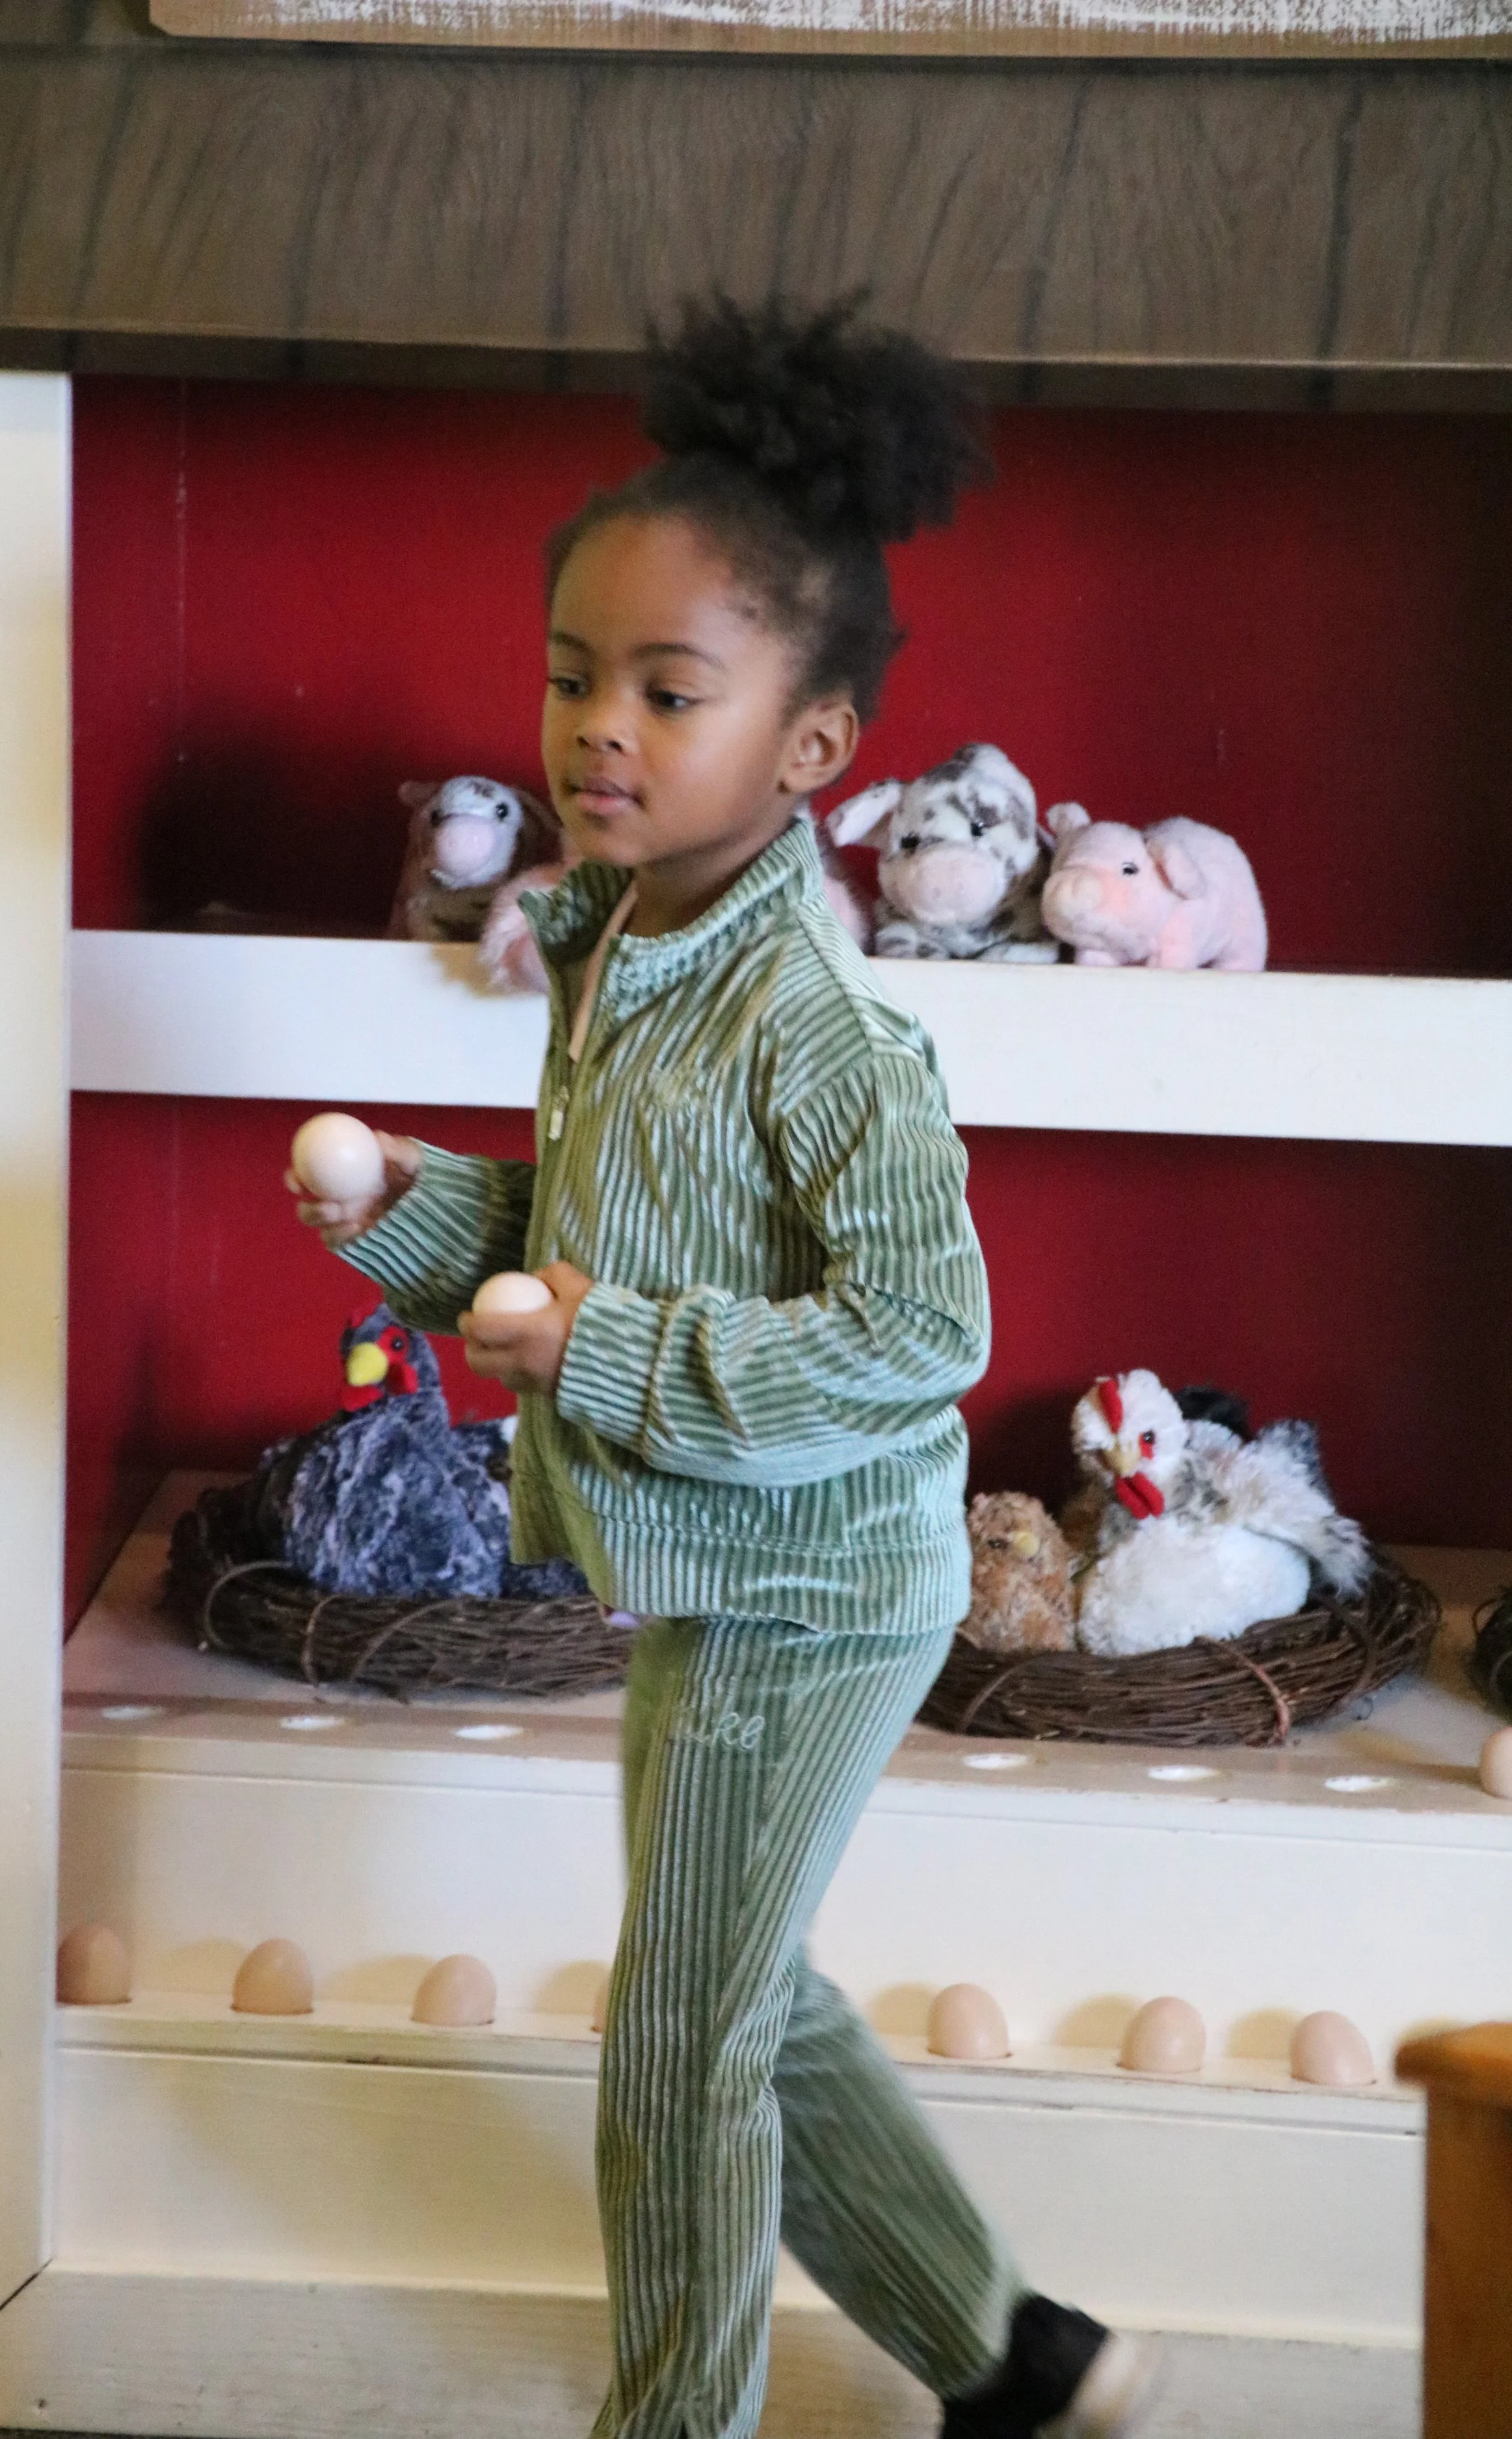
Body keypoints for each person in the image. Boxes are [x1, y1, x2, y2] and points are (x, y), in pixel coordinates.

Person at [290, 298, 1158, 2439]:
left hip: (819, 1582)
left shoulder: (817, 1026)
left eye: (668, 691)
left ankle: (675, 2418)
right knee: (737, 1985)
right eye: (570, 674)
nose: (598, 729)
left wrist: (608, 1341)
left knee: (679, 2031)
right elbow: (570, 1246)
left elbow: (920, 1332)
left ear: (811, 747)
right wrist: (402, 1208)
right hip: (710, 1560)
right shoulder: (619, 953)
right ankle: (1011, 2357)